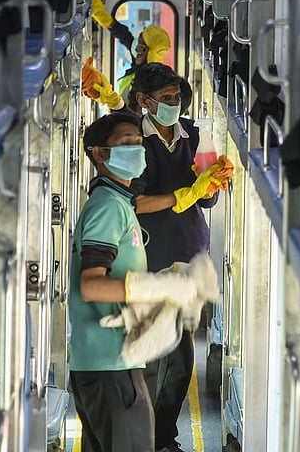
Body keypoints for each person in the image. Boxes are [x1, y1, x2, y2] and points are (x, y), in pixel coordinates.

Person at [69, 112, 207, 452]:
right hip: (109, 363)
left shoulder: (119, 202)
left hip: (111, 361)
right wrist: (157, 288)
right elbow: (91, 285)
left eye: (137, 141)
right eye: (124, 142)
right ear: (99, 154)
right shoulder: (107, 209)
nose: (136, 148)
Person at [130, 64, 233, 452]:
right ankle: (145, 436)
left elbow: (207, 197)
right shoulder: (133, 138)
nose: (175, 105)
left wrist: (212, 182)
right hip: (149, 254)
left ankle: (164, 435)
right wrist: (182, 195)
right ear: (144, 101)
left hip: (189, 251)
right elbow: (135, 202)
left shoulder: (193, 133)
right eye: (167, 99)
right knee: (152, 355)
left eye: (178, 98)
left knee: (181, 357)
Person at [86, 0, 171, 111]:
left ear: (149, 52)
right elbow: (124, 35)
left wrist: (112, 101)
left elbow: (134, 117)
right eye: (138, 43)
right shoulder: (141, 59)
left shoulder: (149, 83)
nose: (136, 50)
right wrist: (99, 14)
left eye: (140, 47)